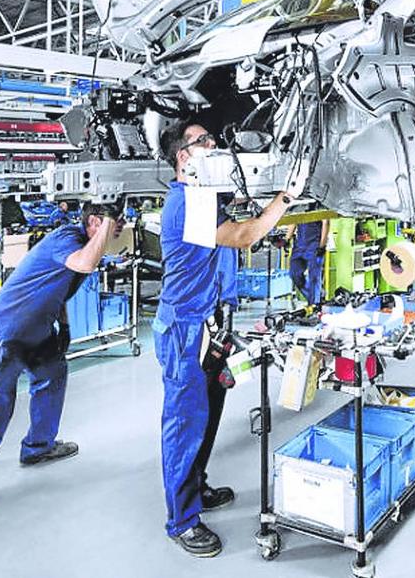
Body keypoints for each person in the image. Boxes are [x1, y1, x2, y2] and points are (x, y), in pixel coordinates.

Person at [155, 121, 298, 557]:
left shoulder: (203, 197)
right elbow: (244, 235)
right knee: (185, 424)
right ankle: (181, 520)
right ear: (184, 156)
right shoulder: (186, 202)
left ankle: (196, 488)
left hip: (207, 324)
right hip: (184, 330)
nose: (214, 145)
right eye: (204, 141)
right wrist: (287, 194)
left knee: (208, 416)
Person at [0, 202, 121, 512]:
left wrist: (64, 327)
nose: (119, 228)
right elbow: (83, 264)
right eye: (114, 222)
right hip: (12, 328)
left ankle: (38, 446)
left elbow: (56, 287)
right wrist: (107, 225)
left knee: (53, 375)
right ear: (94, 222)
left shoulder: (84, 244)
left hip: (37, 327)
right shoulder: (67, 239)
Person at [286, 219, 329, 306]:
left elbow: (326, 222)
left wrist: (322, 245)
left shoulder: (319, 206)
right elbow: (294, 220)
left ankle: (314, 304)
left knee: (314, 277)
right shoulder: (299, 206)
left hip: (315, 244)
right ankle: (317, 295)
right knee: (294, 274)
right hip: (299, 245)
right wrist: (287, 239)